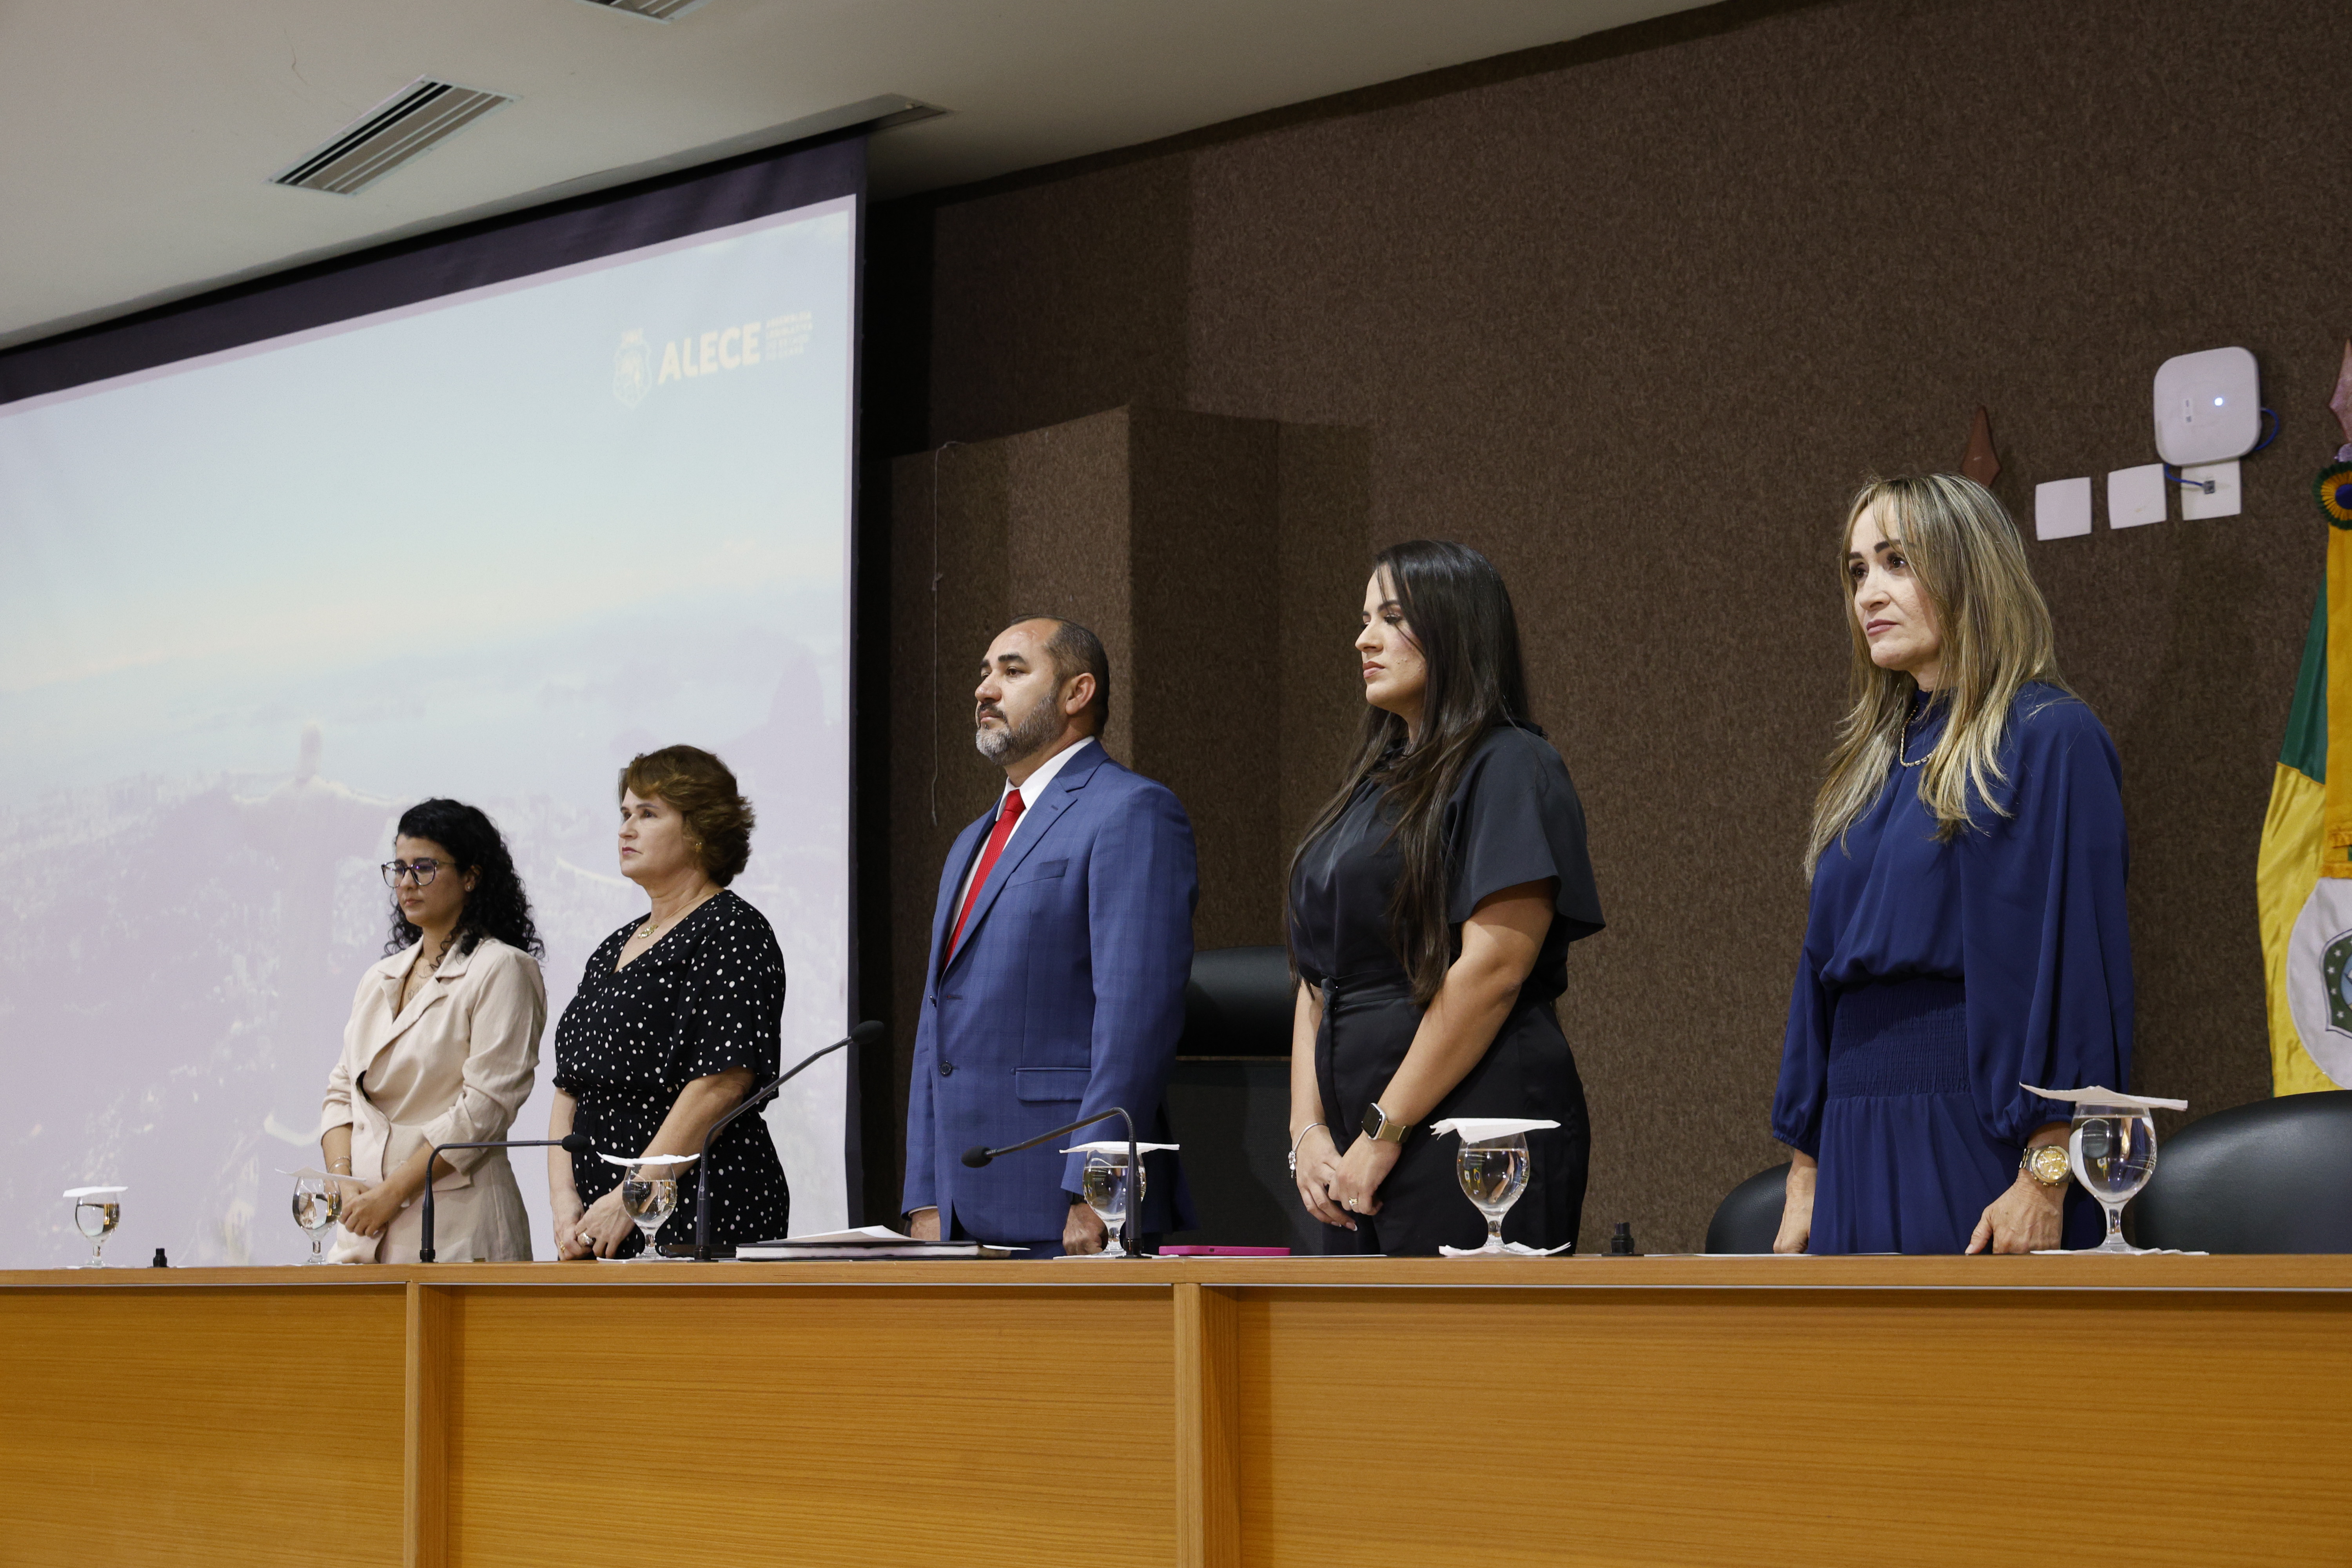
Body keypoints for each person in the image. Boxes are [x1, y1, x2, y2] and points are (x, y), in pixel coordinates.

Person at [1771, 474, 2131, 1256]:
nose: (1869, 591)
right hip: (1855, 1126)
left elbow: (2078, 978)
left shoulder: (2051, 738)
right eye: (1858, 569)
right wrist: (1806, 1169)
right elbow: (1819, 980)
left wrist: (2045, 1172)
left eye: (1898, 562)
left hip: (1975, 1128)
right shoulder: (1867, 764)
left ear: (1969, 570)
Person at [1287, 541, 1604, 1256]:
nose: (1363, 638)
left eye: (1390, 617)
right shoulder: (1367, 786)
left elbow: (1494, 970)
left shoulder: (1512, 764)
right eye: (1364, 617)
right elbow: (1315, 981)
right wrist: (1306, 1132)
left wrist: (1386, 1130)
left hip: (1473, 1133)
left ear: (1456, 628)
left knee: (1464, 1365)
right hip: (1354, 1149)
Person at [903, 616, 1198, 1256]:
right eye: (984, 673)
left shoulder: (1131, 811)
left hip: (1065, 1206)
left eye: (1012, 671)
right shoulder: (970, 842)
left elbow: (1135, 1019)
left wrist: (1096, 1190)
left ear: (1076, 693)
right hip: (959, 1206)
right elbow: (938, 1028)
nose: (985, 689)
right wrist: (925, 1194)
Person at [548, 746, 789, 1259]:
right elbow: (570, 1086)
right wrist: (564, 1204)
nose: (625, 829)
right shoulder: (613, 948)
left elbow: (722, 1083)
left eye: (648, 814)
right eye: (625, 814)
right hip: (597, 1220)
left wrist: (634, 1196)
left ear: (700, 829)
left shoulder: (733, 931)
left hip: (699, 1211)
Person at [319, 799, 546, 1263]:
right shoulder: (379, 976)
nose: (406, 882)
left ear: (471, 876)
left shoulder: (502, 969)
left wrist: (392, 1194)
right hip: (362, 1227)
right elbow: (342, 1093)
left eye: (424, 868)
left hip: (455, 1223)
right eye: (399, 868)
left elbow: (483, 1111)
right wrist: (344, 1182)